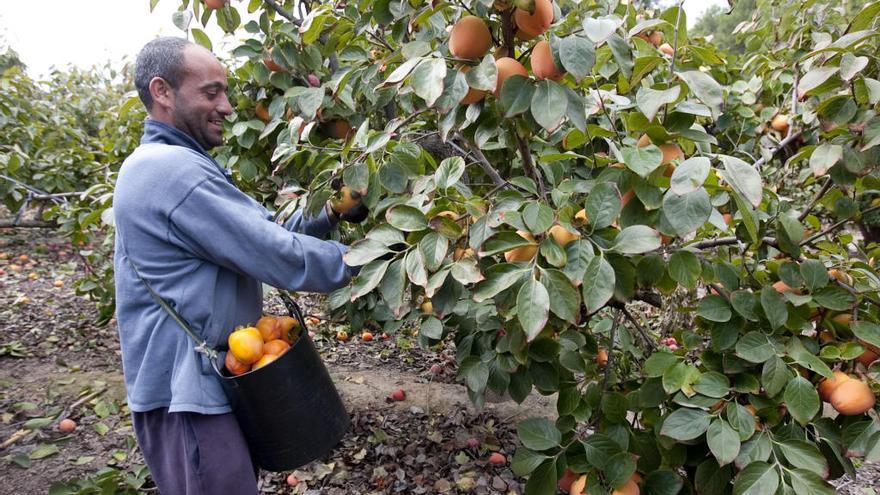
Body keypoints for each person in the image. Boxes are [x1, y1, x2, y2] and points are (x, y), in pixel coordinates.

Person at [113, 37, 363, 494]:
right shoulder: (172, 172)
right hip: (187, 398)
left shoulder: (176, 164)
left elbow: (261, 232)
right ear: (162, 91)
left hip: (207, 387)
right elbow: (275, 253)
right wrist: (378, 260)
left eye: (224, 92)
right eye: (211, 92)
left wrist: (326, 214)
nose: (227, 106)